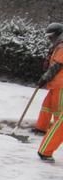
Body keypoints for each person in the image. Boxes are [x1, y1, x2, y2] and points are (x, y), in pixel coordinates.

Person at [36, 22, 63, 162]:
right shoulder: (60, 46)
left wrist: (45, 78)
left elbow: (57, 66)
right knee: (59, 119)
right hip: (59, 84)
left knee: (60, 119)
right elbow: (56, 66)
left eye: (50, 36)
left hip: (60, 84)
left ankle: (45, 148)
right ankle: (45, 149)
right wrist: (45, 78)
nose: (49, 39)